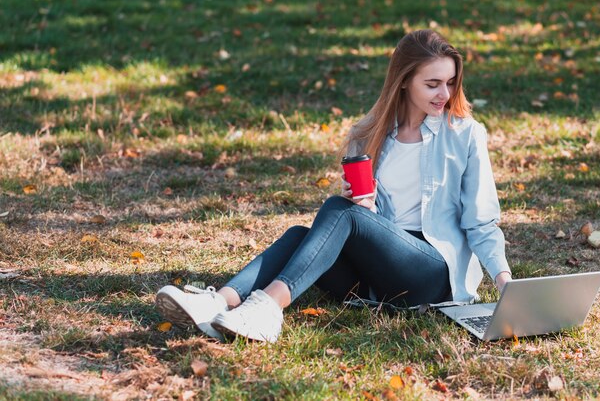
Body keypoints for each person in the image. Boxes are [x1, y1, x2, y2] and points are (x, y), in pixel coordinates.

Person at [155, 29, 513, 343]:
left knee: (340, 212)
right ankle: (219, 303)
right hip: (380, 277)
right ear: (404, 81)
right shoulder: (369, 134)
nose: (444, 93)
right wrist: (366, 209)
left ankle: (267, 308)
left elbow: (480, 221)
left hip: (432, 275)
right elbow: (370, 222)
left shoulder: (464, 133)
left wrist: (504, 282)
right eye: (432, 84)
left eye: (450, 83)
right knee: (300, 234)